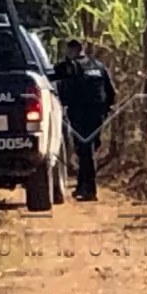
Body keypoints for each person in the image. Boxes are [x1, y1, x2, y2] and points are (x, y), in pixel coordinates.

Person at [54, 38, 116, 202]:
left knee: (85, 151)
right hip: (98, 114)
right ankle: (82, 186)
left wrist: (64, 105)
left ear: (72, 50)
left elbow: (62, 86)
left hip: (80, 114)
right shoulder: (99, 66)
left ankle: (91, 190)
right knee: (87, 150)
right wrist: (106, 110)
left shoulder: (72, 67)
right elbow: (111, 92)